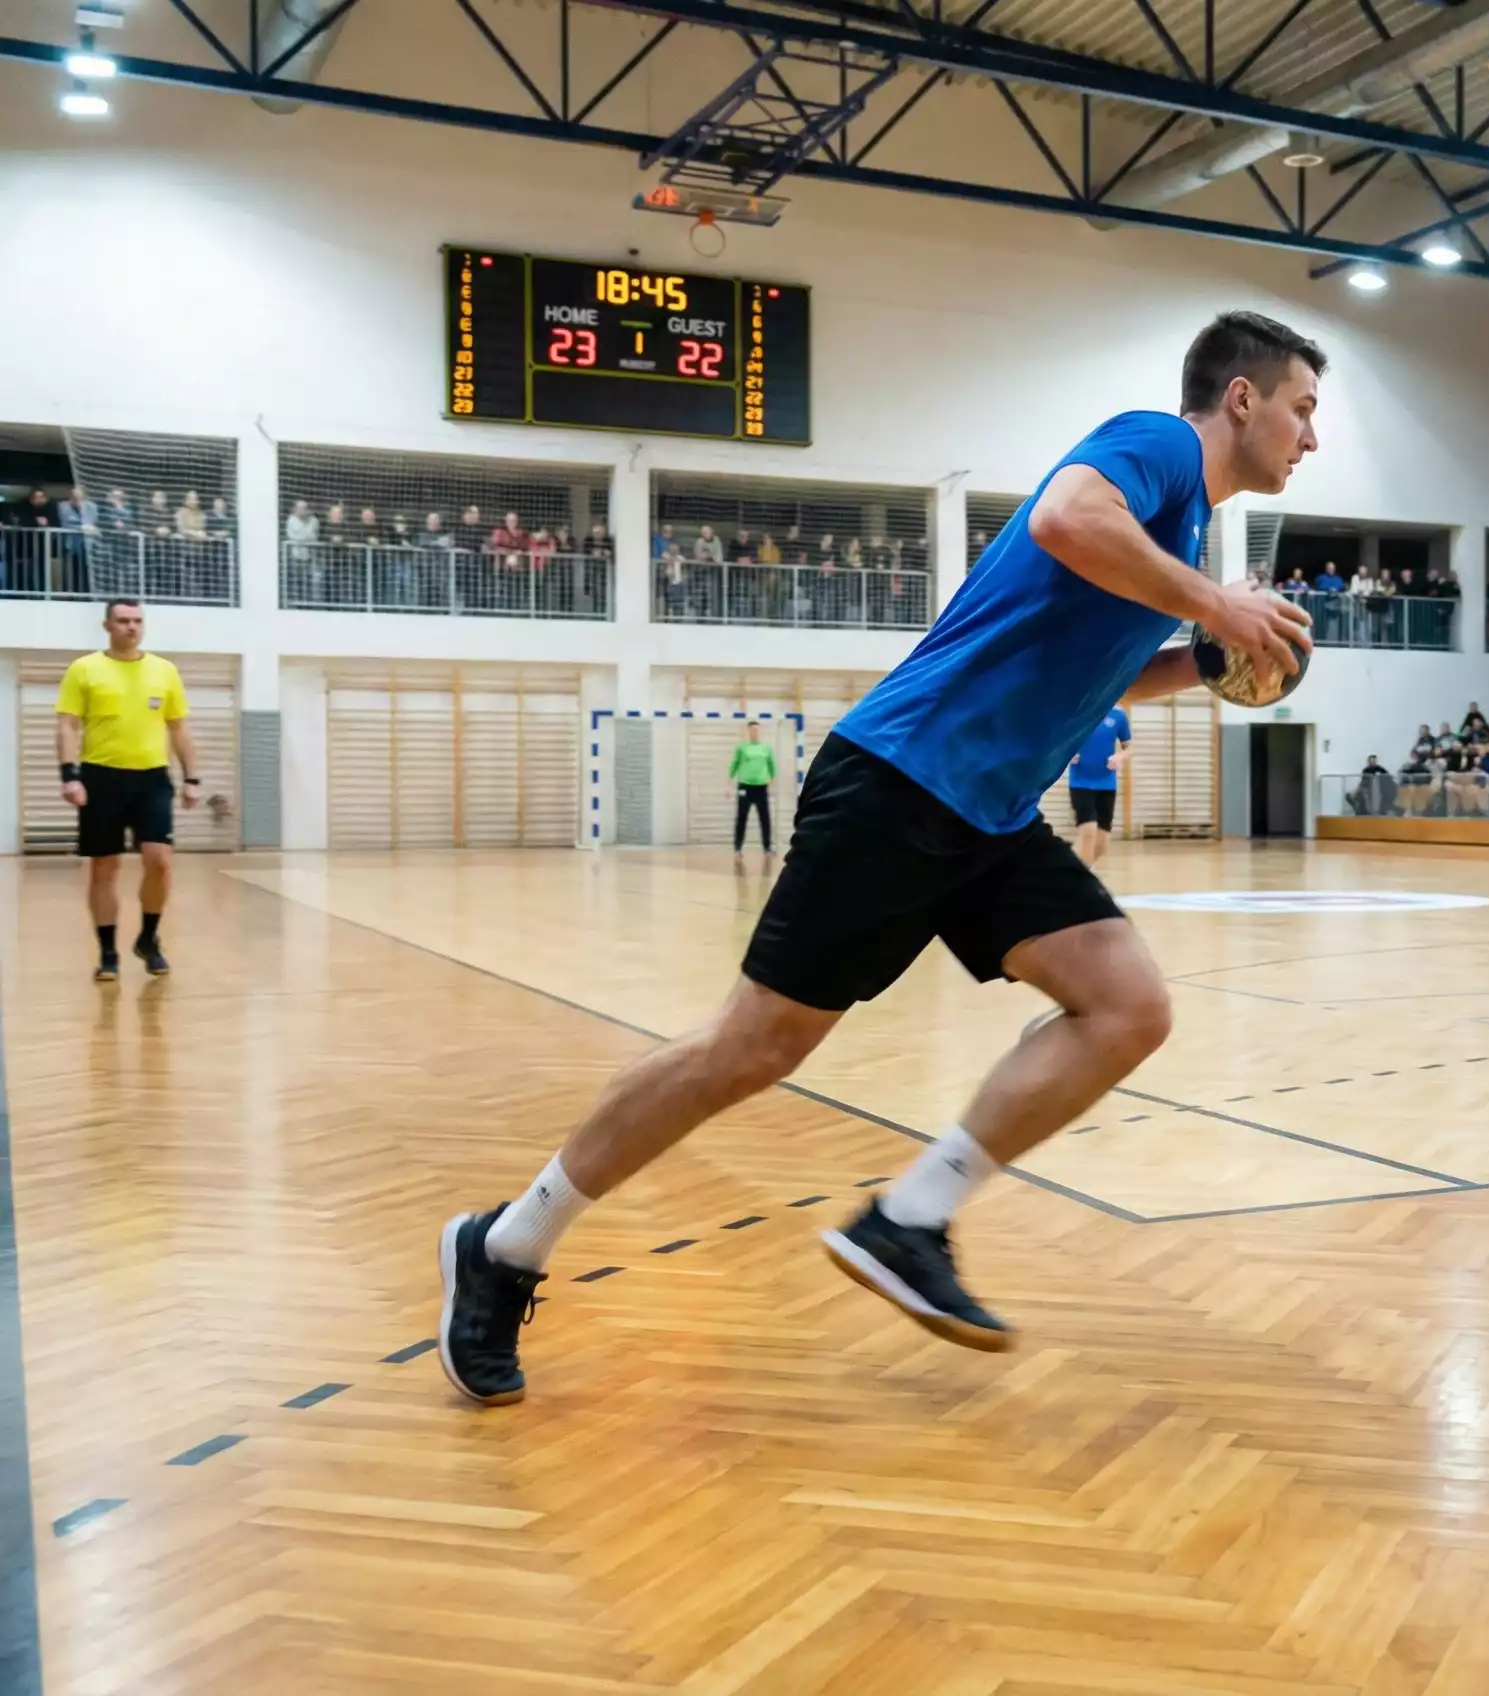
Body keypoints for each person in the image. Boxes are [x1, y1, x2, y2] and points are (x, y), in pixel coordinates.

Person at [434, 311, 1322, 1404]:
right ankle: (505, 1241)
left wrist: (1208, 658)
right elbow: (1062, 515)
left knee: (1126, 1006)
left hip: (987, 814)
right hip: (902, 779)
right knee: (748, 1050)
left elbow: (1097, 671)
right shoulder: (1157, 445)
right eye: (1302, 408)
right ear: (1241, 398)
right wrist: (1213, 602)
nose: (1309, 435)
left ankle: (910, 1219)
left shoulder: (1173, 539)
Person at [55, 600, 201, 981]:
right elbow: (68, 725)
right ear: (108, 625)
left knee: (160, 861)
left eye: (137, 621)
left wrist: (191, 777)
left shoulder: (164, 671)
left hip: (152, 779)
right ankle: (107, 952)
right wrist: (69, 775)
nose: (131, 627)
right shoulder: (84, 669)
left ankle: (149, 939)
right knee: (104, 867)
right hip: (100, 777)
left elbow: (178, 727)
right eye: (123, 620)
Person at [1065, 702, 1132, 868]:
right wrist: (1067, 754)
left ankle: (1073, 866)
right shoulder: (1077, 711)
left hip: (1107, 784)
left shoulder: (1118, 715)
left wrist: (1120, 757)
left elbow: (1128, 747)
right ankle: (1083, 878)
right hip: (1080, 782)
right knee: (1088, 832)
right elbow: (1059, 742)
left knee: (1102, 843)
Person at [728, 721, 777, 855]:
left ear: (760, 731)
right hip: (744, 787)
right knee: (741, 817)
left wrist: (773, 785)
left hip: (761, 788)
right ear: (748, 731)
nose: (755, 732)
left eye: (757, 730)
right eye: (752, 730)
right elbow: (734, 765)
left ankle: (767, 847)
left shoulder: (766, 748)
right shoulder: (742, 748)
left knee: (765, 818)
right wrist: (728, 784)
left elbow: (772, 767)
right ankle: (738, 848)